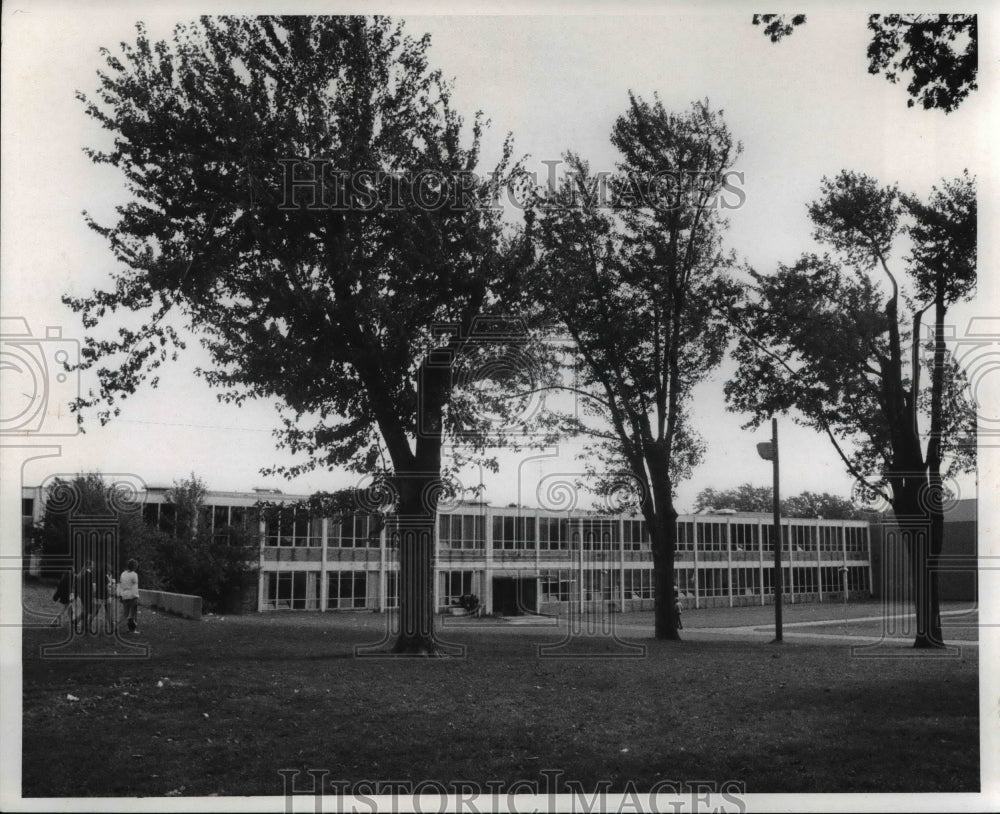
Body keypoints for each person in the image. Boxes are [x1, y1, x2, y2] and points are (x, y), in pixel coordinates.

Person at [75, 560, 97, 633]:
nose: (93, 566)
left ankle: (78, 623)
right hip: (87, 595)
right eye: (92, 565)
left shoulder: (82, 573)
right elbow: (92, 587)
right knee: (87, 611)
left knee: (86, 611)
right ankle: (83, 627)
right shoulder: (89, 574)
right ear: (89, 566)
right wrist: (93, 595)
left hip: (82, 594)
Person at [118, 559, 140, 634]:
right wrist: (136, 596)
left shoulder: (123, 574)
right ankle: (132, 629)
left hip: (124, 595)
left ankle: (130, 628)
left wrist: (120, 595)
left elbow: (120, 585)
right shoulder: (134, 575)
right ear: (134, 566)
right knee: (133, 613)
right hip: (132, 595)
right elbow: (135, 586)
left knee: (127, 613)